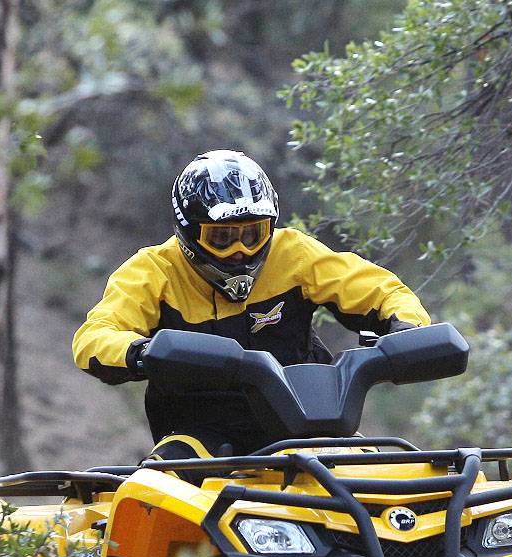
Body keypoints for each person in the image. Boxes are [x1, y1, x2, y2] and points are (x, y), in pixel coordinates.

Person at [71, 149, 430, 457]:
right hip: (199, 439)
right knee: (156, 490)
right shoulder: (153, 271)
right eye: (222, 238)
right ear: (188, 233)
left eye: (253, 234)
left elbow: (381, 290)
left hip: (310, 430)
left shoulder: (294, 254)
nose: (241, 250)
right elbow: (94, 337)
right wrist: (142, 352)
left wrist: (406, 329)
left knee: (387, 478)